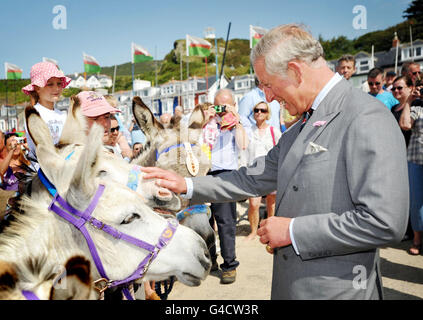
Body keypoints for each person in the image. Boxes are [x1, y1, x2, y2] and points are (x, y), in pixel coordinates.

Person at [141, 24, 409, 300]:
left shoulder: (366, 117)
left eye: (267, 84)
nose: (267, 97)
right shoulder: (297, 129)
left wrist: (293, 231)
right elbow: (249, 178)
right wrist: (186, 184)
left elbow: (384, 221)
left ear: (295, 70)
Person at [206, 89, 249, 285]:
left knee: (226, 224)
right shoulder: (206, 123)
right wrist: (204, 120)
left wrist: (236, 120)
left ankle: (230, 265)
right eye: (218, 105)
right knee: (204, 222)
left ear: (233, 105)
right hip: (204, 173)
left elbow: (243, 145)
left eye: (225, 106)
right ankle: (210, 261)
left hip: (226, 175)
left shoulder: (236, 125)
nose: (221, 110)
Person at [22, 61, 71, 168]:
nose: (56, 88)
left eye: (59, 84)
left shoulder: (63, 115)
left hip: (63, 168)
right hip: (42, 173)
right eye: (50, 84)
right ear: (37, 88)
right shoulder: (33, 114)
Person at [245, 101, 281, 240]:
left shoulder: (274, 131)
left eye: (263, 110)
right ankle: (253, 231)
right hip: (253, 170)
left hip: (270, 170)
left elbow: (281, 150)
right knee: (254, 204)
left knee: (271, 203)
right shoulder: (249, 132)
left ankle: (269, 231)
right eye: (256, 110)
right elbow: (244, 151)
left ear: (268, 114)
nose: (259, 112)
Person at [399, 85, 423, 256]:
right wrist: (409, 101)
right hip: (416, 160)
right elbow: (405, 125)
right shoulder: (417, 107)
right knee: (416, 203)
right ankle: (417, 238)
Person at [391, 76, 414, 147]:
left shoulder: (415, 104)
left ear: (410, 88)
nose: (396, 91)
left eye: (399, 88)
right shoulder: (393, 108)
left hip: (411, 148)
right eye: (393, 89)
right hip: (397, 148)